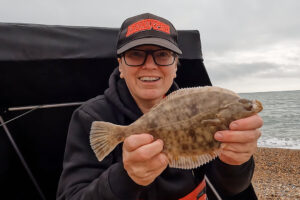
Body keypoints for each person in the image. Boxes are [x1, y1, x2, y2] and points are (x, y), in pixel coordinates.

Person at [56, 13, 263, 200]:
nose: (150, 65)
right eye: (136, 55)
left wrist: (236, 162)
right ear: (120, 64)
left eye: (162, 55)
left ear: (175, 66)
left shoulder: (198, 106)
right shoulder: (91, 117)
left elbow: (229, 188)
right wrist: (127, 177)